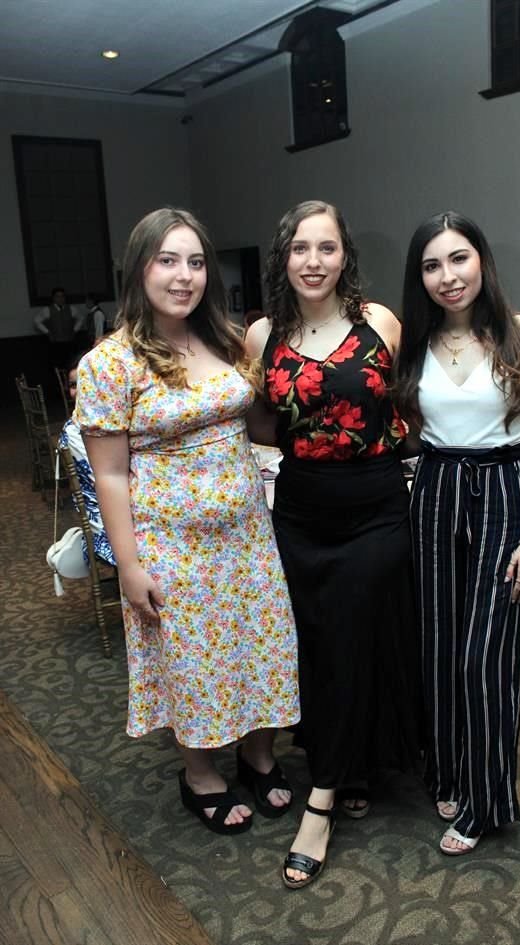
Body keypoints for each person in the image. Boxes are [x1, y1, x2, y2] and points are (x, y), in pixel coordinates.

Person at [75, 207, 300, 835]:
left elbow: (259, 423)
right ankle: (200, 772)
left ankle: (259, 756)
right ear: (138, 268)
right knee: (193, 661)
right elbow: (110, 474)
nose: (184, 276)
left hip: (248, 533)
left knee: (260, 643)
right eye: (167, 261)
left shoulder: (225, 337)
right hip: (171, 546)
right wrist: (128, 564)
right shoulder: (110, 363)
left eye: (196, 262)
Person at [245, 200, 422, 888]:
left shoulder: (379, 322)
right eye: (300, 248)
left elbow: (412, 403)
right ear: (282, 258)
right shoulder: (263, 333)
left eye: (326, 247)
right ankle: (352, 765)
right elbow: (261, 422)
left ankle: (320, 797)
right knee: (319, 641)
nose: (313, 261)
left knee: (353, 626)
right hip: (301, 511)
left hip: (377, 505)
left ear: (345, 255)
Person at [395, 211, 520, 855]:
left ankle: (488, 801)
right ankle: (451, 772)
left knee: (484, 658)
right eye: (432, 265)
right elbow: (408, 431)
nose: (447, 276)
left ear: (481, 260)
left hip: (503, 494)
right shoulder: (417, 339)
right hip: (434, 492)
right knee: (438, 649)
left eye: (458, 258)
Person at [58, 353, 115, 566]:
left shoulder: (104, 421)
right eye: (73, 385)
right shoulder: (76, 431)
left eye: (85, 382)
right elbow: (107, 483)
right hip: (109, 533)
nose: (79, 391)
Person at [34, 287, 83, 366]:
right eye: (58, 296)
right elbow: (36, 321)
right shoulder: (47, 310)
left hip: (69, 341)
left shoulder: (71, 309)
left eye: (62, 296)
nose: (60, 299)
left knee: (70, 362)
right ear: (53, 298)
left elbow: (81, 318)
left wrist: (75, 330)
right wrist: (47, 332)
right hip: (55, 342)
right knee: (56, 363)